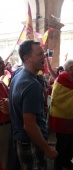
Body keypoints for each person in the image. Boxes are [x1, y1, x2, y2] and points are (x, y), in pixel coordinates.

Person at [9, 40, 58, 169]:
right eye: (39, 54)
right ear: (27, 58)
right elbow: (29, 125)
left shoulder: (18, 74)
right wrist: (47, 149)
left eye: (43, 53)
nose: (44, 56)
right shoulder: (32, 85)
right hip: (31, 142)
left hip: (21, 140)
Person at [49, 59, 73, 170]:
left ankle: (67, 161)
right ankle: (58, 166)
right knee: (62, 144)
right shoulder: (63, 78)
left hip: (72, 117)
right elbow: (58, 98)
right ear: (69, 69)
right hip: (63, 118)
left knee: (72, 142)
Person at [0, 56, 15, 170]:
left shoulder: (1, 83)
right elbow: (5, 108)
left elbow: (10, 100)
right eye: (1, 63)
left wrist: (10, 102)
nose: (4, 66)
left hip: (7, 125)